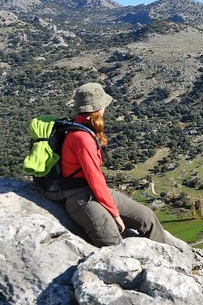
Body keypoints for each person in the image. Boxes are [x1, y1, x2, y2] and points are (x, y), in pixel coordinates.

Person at [61, 82, 169, 247]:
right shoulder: (81, 138)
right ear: (98, 108)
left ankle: (169, 257)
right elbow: (94, 177)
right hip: (79, 196)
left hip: (93, 190)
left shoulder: (81, 126)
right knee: (112, 239)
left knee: (147, 217)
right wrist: (114, 213)